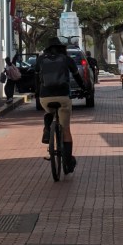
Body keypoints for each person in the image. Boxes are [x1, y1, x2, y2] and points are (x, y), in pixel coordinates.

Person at [37, 36, 87, 173]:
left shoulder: (41, 59)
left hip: (45, 97)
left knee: (49, 111)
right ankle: (68, 161)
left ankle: (48, 127)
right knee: (66, 129)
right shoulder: (67, 59)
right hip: (63, 96)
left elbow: (36, 75)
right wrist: (83, 88)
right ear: (61, 48)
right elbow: (77, 76)